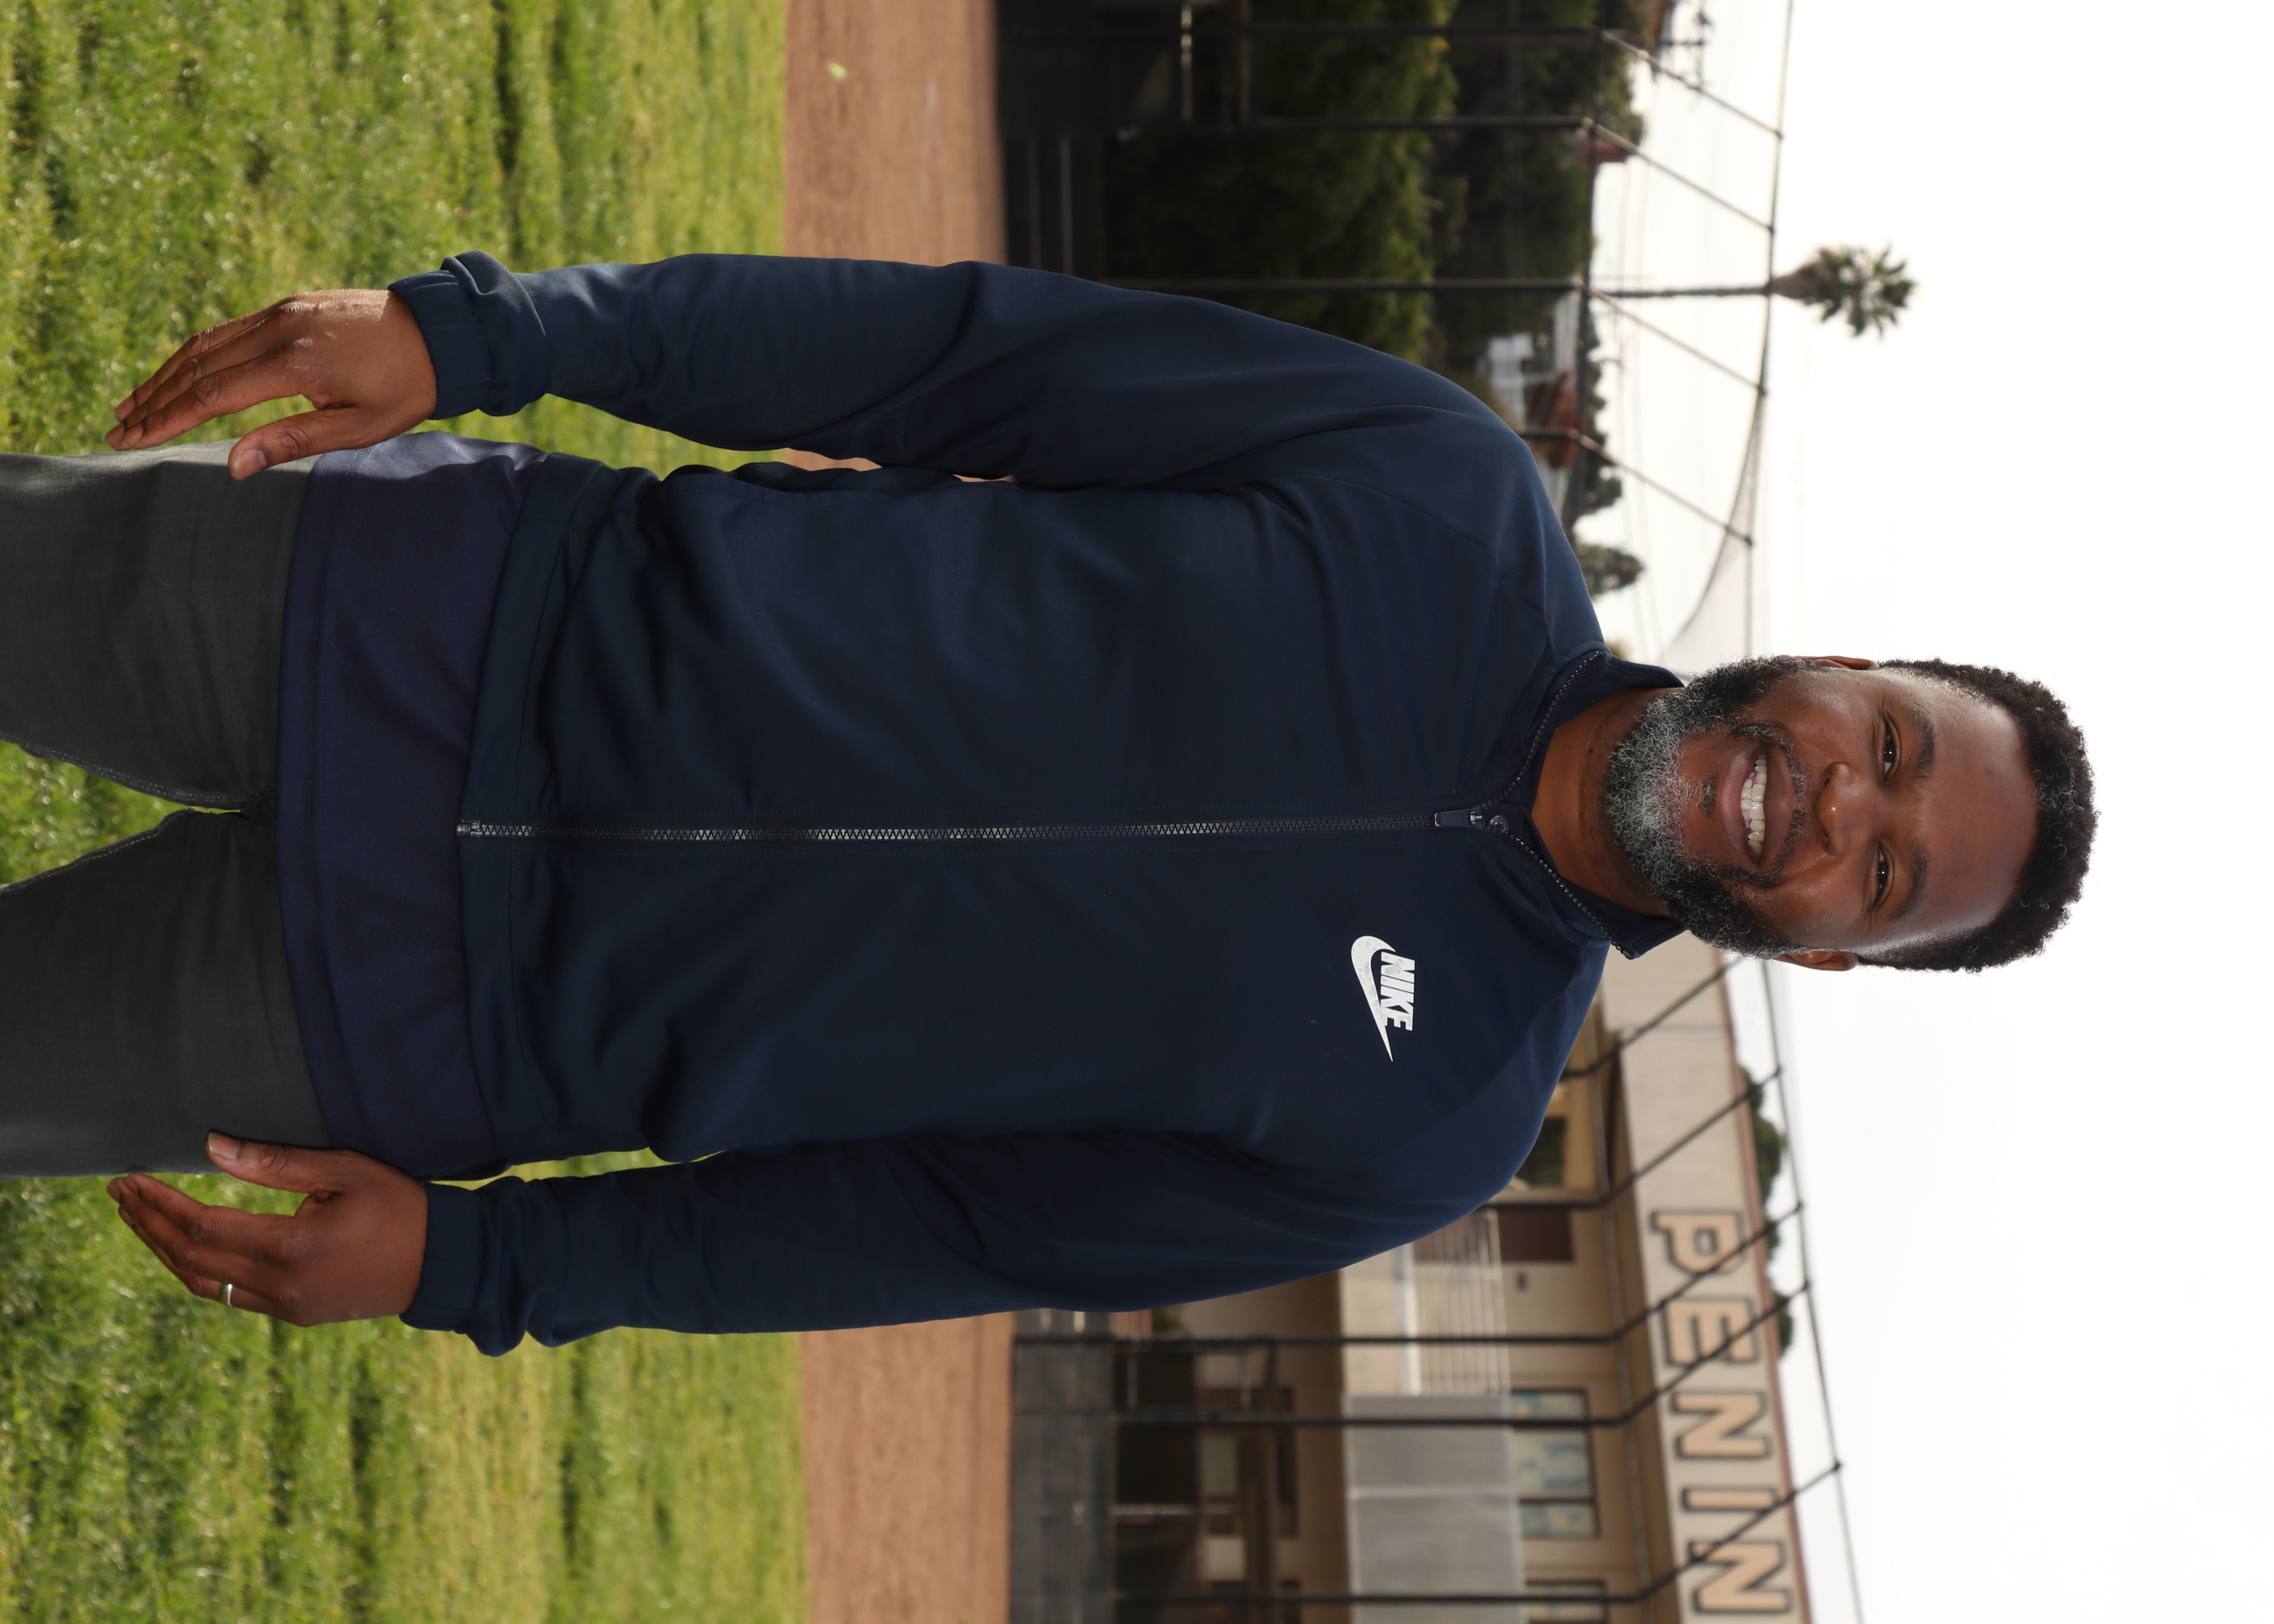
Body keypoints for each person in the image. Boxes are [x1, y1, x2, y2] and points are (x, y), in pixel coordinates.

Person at [3, 254, 2088, 1354]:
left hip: (406, 1023)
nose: (1832, 801)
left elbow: (922, 1223)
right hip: (425, 607)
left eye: (1880, 871)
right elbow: (953, 358)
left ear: (1825, 949)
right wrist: (487, 333)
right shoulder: (1437, 495)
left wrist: (486, 1269)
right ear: (1845, 669)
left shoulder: (1430, 1120)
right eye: (1887, 742)